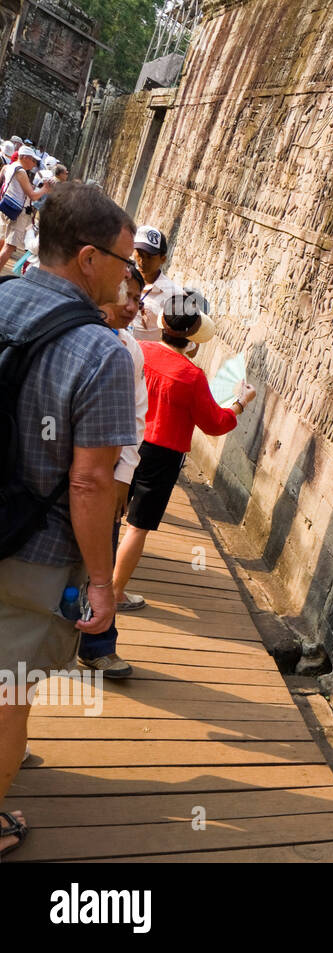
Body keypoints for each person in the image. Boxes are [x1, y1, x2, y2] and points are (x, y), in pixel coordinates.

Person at [0, 184, 138, 858]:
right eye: (125, 260)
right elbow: (89, 481)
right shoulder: (103, 352)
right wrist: (102, 581)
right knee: (7, 692)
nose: (129, 274)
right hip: (34, 548)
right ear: (89, 258)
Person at [112, 289, 256, 612]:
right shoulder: (192, 377)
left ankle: (89, 579)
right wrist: (240, 404)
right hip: (163, 455)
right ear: (192, 335)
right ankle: (115, 592)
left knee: (110, 512)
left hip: (127, 440)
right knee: (138, 525)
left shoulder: (140, 351)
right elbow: (215, 423)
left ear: (162, 321)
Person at [78, 264, 149, 677]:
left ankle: (98, 645)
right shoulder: (72, 332)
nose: (132, 306)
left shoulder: (130, 348)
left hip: (105, 475)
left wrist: (125, 473)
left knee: (100, 557)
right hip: (57, 470)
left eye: (138, 299)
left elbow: (138, 415)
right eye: (125, 294)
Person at [0, 147, 52, 268]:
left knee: (3, 242)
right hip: (18, 212)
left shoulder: (9, 167)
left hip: (7, 206)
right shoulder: (21, 171)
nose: (34, 164)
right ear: (25, 157)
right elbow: (33, 196)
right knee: (9, 247)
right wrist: (45, 189)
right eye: (33, 161)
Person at [130, 225, 178, 342]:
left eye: (149, 256)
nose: (142, 260)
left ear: (163, 259)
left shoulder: (173, 295)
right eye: (139, 253)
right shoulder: (120, 277)